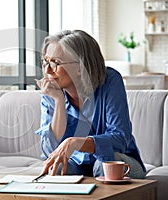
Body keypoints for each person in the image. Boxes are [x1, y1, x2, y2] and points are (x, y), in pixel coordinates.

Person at [35, 30, 146, 178]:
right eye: (45, 61)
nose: (48, 70)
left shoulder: (110, 81)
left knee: (104, 164)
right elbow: (50, 150)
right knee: (57, 168)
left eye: (55, 63)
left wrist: (75, 143)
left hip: (119, 161)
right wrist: (59, 102)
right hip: (77, 163)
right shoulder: (52, 91)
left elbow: (120, 138)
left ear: (80, 67)